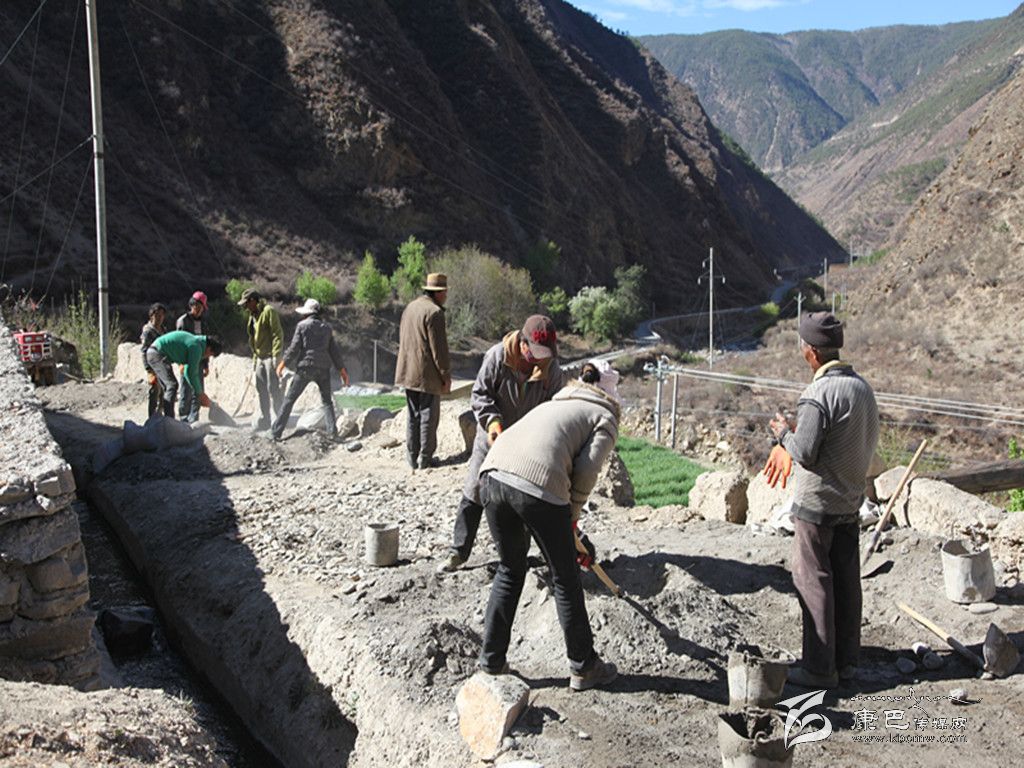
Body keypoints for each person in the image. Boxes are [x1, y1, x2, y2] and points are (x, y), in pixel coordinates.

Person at [475, 360, 622, 691]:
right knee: (565, 577)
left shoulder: (557, 402)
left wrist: (570, 532)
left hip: (493, 475)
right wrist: (571, 520)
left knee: (510, 568)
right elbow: (585, 472)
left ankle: (492, 662)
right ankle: (584, 666)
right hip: (536, 484)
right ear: (610, 394)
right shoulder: (604, 416)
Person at [764, 311, 879, 689]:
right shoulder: (862, 388)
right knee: (846, 582)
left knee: (812, 582)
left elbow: (806, 453)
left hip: (817, 506)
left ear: (811, 352)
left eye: (802, 346)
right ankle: (847, 662)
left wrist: (783, 433)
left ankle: (818, 669)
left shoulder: (817, 394)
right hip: (850, 500)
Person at [438, 315, 563, 573]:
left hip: (527, 444)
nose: (539, 360)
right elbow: (480, 394)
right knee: (475, 489)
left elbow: (555, 410)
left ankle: (518, 557)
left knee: (524, 496)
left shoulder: (552, 370)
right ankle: (458, 552)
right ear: (523, 343)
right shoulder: (497, 357)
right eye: (535, 353)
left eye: (544, 354)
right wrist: (493, 422)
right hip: (492, 435)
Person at [394, 273, 451, 469]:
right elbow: (439, 350)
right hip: (427, 374)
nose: (446, 296)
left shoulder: (410, 308)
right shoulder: (435, 313)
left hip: (407, 371)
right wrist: (445, 375)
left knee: (413, 415)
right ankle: (425, 459)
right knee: (428, 416)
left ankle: (412, 457)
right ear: (439, 292)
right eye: (445, 292)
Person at [270, 298, 349, 441]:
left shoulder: (302, 326)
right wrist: (342, 371)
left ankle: (276, 433)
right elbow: (334, 352)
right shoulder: (327, 328)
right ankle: (333, 433)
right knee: (327, 402)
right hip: (323, 369)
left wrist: (282, 364)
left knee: (289, 400)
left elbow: (294, 348)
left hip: (305, 368)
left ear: (306, 313)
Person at [146, 331, 223, 420]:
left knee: (168, 387)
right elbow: (192, 373)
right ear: (209, 349)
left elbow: (187, 372)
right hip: (157, 353)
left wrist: (198, 393)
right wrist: (200, 394)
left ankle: (162, 419)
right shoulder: (196, 347)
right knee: (171, 385)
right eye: (210, 355)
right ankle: (169, 420)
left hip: (155, 353)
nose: (207, 357)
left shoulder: (196, 343)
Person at [238, 288, 284, 431]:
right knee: (261, 389)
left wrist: (276, 355)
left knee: (273, 388)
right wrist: (255, 359)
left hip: (270, 357)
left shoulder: (268, 311)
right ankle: (265, 419)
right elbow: (253, 340)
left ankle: (280, 419)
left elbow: (277, 334)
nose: (245, 307)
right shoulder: (253, 316)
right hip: (259, 358)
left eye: (246, 303)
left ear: (253, 301)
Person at [175, 291, 210, 421]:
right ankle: (183, 418)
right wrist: (180, 363)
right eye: (198, 307)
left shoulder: (203, 323)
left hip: (199, 360)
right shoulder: (183, 321)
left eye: (202, 308)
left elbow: (205, 344)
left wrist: (206, 364)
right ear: (192, 305)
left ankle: (194, 418)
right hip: (186, 361)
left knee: (198, 390)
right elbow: (178, 342)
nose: (199, 310)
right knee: (186, 390)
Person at [140, 302, 167, 417]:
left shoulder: (163, 330)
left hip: (163, 364)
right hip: (153, 366)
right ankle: (152, 417)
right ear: (152, 316)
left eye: (162, 315)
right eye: (157, 315)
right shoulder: (148, 332)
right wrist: (148, 369)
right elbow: (144, 351)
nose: (160, 318)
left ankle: (161, 414)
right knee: (154, 391)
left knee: (164, 390)